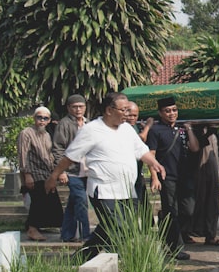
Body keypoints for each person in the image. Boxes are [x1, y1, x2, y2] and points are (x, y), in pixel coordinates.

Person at [45, 92, 165, 259]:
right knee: (118, 228)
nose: (128, 114)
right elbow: (70, 156)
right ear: (109, 110)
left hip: (126, 190)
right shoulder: (92, 130)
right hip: (104, 190)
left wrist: (155, 163)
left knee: (110, 229)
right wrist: (54, 176)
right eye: (123, 110)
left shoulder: (127, 130)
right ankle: (120, 262)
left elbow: (141, 151)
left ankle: (80, 258)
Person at [145, 96, 198, 260]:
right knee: (173, 211)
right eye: (167, 111)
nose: (171, 113)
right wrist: (154, 177)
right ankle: (176, 247)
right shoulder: (155, 130)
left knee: (188, 210)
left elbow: (195, 148)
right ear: (161, 113)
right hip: (166, 176)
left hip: (185, 175)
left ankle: (164, 224)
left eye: (174, 110)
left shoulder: (182, 129)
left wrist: (189, 129)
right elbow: (151, 155)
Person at [18, 107, 64, 241]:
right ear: (34, 118)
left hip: (47, 173)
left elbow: (50, 155)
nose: (42, 121)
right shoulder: (27, 133)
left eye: (45, 118)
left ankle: (37, 226)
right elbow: (23, 154)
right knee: (38, 199)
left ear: (49, 120)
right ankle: (32, 228)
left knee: (51, 201)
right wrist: (27, 174)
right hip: (33, 172)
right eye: (39, 117)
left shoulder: (47, 134)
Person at [52, 94, 91, 243]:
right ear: (69, 108)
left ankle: (67, 234)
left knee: (74, 202)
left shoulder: (89, 123)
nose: (78, 109)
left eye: (81, 106)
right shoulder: (64, 124)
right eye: (75, 107)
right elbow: (58, 148)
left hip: (87, 170)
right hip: (72, 171)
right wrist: (61, 171)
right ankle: (85, 235)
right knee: (81, 200)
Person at [190, 123, 219, 246]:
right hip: (198, 167)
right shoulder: (195, 130)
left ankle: (210, 234)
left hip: (211, 165)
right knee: (199, 200)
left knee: (212, 201)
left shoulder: (214, 131)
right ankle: (193, 231)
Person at [124, 102, 153, 203]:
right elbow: (140, 138)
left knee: (143, 203)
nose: (132, 118)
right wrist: (148, 126)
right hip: (127, 173)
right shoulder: (122, 127)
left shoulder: (134, 127)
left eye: (135, 116)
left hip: (137, 171)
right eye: (130, 115)